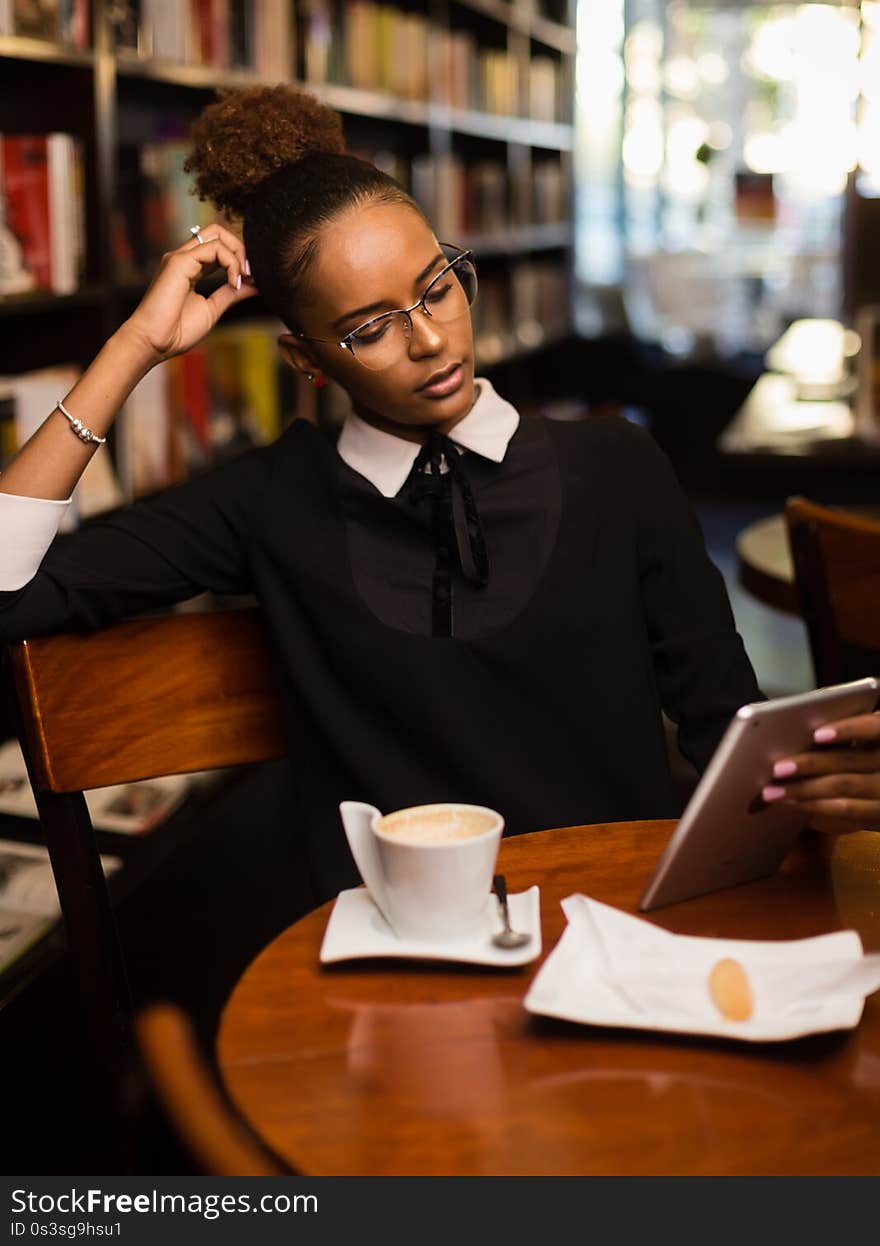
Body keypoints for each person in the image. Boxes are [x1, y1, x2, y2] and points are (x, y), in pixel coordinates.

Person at [1, 85, 878, 904]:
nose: (430, 340)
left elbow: (729, 734)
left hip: (623, 928)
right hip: (399, 962)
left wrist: (810, 784)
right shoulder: (268, 498)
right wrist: (135, 347)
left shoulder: (617, 465)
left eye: (438, 286)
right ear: (308, 361)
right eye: (372, 327)